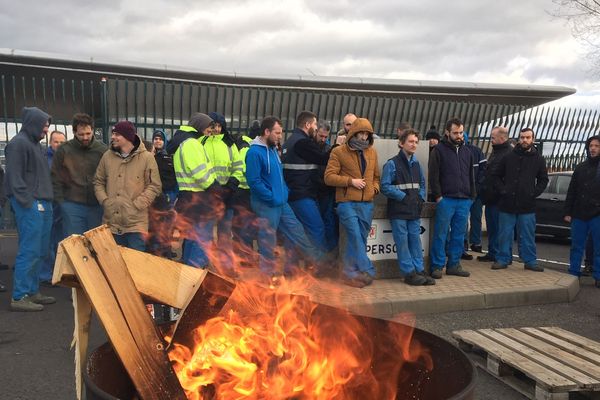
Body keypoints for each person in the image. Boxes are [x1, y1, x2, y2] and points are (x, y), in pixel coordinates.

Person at [245, 116, 322, 283]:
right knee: (268, 240)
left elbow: (278, 176)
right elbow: (254, 181)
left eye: (281, 133)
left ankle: (317, 262)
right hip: (267, 204)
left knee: (297, 231)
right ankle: (267, 276)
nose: (280, 136)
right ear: (266, 132)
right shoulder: (254, 153)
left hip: (281, 202)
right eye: (277, 133)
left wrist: (284, 193)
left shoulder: (272, 150)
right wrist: (272, 197)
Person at [5, 107, 55, 311]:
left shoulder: (35, 144)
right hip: (32, 204)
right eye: (44, 125)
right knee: (30, 250)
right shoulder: (18, 144)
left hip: (42, 203)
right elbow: (14, 178)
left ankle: (32, 291)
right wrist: (27, 202)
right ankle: (20, 296)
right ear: (33, 122)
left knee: (41, 250)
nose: (46, 129)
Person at [325, 117, 380, 288]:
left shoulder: (372, 152)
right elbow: (328, 177)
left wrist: (373, 189)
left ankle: (356, 274)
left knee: (360, 238)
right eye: (361, 133)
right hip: (346, 202)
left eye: (366, 134)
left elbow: (376, 177)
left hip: (366, 204)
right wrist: (351, 181)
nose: (363, 137)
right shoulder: (338, 152)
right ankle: (363, 270)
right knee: (354, 236)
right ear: (353, 132)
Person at [94, 121, 161, 251]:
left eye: (117, 134)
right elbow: (98, 181)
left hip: (136, 224)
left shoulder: (147, 158)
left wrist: (137, 205)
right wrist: (105, 201)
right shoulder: (107, 156)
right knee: (113, 264)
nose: (113, 137)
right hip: (111, 222)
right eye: (113, 133)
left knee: (134, 265)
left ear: (128, 137)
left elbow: (154, 185)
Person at [381, 129, 435, 286]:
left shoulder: (417, 164)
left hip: (413, 210)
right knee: (402, 242)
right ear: (401, 143)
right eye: (411, 141)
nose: (414, 144)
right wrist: (404, 197)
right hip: (398, 211)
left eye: (416, 142)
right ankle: (408, 273)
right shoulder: (392, 164)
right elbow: (384, 187)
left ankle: (419, 270)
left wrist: (419, 198)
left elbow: (422, 184)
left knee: (415, 241)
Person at [491, 128, 548, 271]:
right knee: (504, 234)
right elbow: (495, 176)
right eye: (522, 137)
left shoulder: (539, 159)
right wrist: (503, 190)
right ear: (519, 139)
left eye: (528, 137)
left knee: (527, 235)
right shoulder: (508, 157)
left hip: (527, 205)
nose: (525, 140)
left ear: (533, 139)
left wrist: (533, 193)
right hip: (507, 204)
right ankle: (503, 259)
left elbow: (543, 180)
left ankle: (530, 261)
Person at [282, 111, 334, 261]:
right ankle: (319, 266)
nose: (317, 129)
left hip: (292, 194)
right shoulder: (303, 142)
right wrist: (338, 146)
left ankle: (290, 270)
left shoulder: (289, 142)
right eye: (315, 125)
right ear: (307, 125)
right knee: (317, 228)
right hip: (303, 195)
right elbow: (324, 158)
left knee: (293, 233)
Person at [428, 117, 474, 279]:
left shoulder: (467, 151)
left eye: (461, 132)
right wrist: (439, 196)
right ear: (447, 132)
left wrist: (471, 197)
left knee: (458, 234)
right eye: (455, 133)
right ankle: (437, 266)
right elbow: (433, 176)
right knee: (441, 234)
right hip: (446, 199)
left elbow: (470, 175)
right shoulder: (438, 150)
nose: (459, 135)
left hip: (464, 199)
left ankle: (454, 264)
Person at [172, 113, 220, 268]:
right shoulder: (192, 143)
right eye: (208, 128)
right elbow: (199, 171)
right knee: (202, 242)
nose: (209, 131)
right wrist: (214, 186)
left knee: (192, 239)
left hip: (188, 199)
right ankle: (194, 280)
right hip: (199, 200)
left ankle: (187, 276)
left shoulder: (183, 143)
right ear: (199, 126)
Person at [203, 112, 244, 274]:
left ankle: (226, 266)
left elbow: (239, 165)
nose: (217, 129)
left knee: (225, 234)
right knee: (205, 233)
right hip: (207, 195)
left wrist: (233, 183)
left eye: (220, 125)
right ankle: (205, 265)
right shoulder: (201, 142)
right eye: (214, 125)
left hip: (227, 195)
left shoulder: (229, 144)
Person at [564, 135, 600, 287]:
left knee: (599, 247)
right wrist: (567, 212)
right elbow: (571, 191)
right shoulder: (580, 167)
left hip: (597, 214)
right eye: (591, 145)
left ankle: (598, 276)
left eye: (596, 146)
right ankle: (573, 273)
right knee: (576, 246)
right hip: (579, 213)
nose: (593, 148)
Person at [477, 126, 512, 263]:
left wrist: (502, 191)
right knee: (492, 229)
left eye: (493, 137)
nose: (490, 140)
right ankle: (492, 253)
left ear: (502, 138)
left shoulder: (509, 154)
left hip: (500, 199)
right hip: (490, 198)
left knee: (501, 230)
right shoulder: (496, 152)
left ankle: (504, 256)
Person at [147, 129, 178, 257]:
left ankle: (166, 250)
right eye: (155, 139)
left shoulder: (170, 157)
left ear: (164, 141)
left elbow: (176, 178)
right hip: (154, 196)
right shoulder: (149, 157)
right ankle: (154, 249)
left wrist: (174, 195)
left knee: (168, 225)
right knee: (154, 224)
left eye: (160, 139)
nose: (158, 141)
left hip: (168, 196)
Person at [461, 132, 487, 260]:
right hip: (464, 193)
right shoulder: (457, 153)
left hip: (476, 192)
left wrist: (477, 187)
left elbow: (483, 171)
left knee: (476, 218)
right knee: (463, 219)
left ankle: (475, 243)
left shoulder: (477, 151)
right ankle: (464, 242)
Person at [315, 120, 339, 254]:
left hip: (325, 192)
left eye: (325, 137)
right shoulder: (311, 148)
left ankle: (329, 253)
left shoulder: (328, 150)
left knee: (328, 222)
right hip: (315, 191)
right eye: (321, 136)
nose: (323, 139)